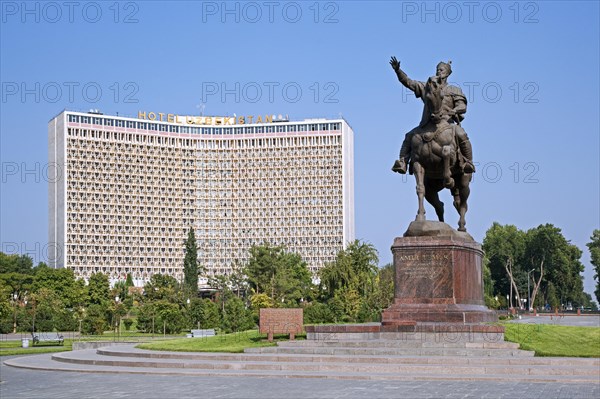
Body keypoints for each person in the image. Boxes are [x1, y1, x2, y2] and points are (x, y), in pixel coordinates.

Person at [390, 57, 475, 174]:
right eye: (437, 70)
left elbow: (462, 106)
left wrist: (454, 111)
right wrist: (398, 71)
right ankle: (403, 162)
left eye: (441, 70)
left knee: (461, 134)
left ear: (448, 73)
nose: (439, 72)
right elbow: (409, 82)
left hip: (447, 122)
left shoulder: (454, 89)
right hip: (427, 123)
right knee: (409, 136)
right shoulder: (427, 87)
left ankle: (468, 162)